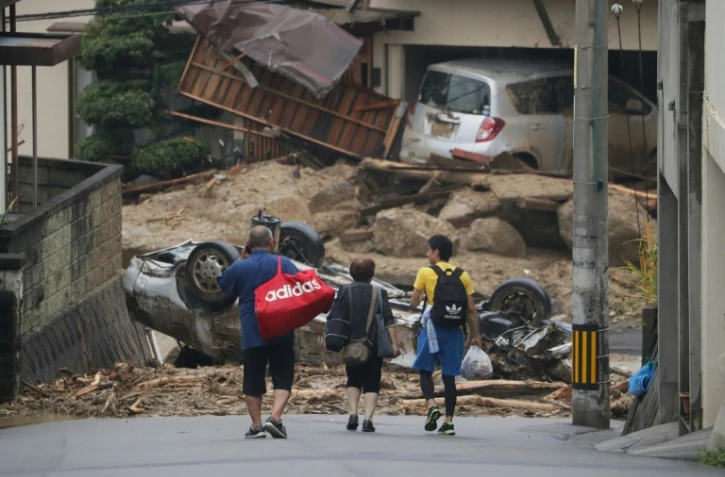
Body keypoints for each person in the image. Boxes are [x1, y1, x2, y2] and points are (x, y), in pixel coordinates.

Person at [217, 226, 298, 439]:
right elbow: (299, 287)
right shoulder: (284, 263)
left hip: (253, 331)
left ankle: (256, 426)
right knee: (282, 376)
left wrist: (242, 260)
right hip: (282, 329)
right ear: (271, 243)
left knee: (253, 379)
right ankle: (276, 418)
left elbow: (223, 284)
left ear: (249, 244)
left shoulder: (240, 266)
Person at [409, 234, 481, 436]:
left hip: (431, 329)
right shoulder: (462, 275)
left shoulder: (425, 272)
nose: (426, 254)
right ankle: (449, 422)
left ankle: (431, 405)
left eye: (428, 250)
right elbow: (471, 309)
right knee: (449, 377)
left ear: (436, 252)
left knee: (425, 370)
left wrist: (420, 295)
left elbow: (414, 304)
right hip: (455, 332)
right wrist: (476, 335)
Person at [327, 258, 399, 433]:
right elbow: (389, 321)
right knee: (372, 381)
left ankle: (353, 414)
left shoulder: (344, 290)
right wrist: (395, 344)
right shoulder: (379, 293)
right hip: (373, 344)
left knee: (353, 379)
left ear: (352, 273)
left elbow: (335, 316)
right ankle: (367, 419)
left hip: (351, 343)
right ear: (371, 275)